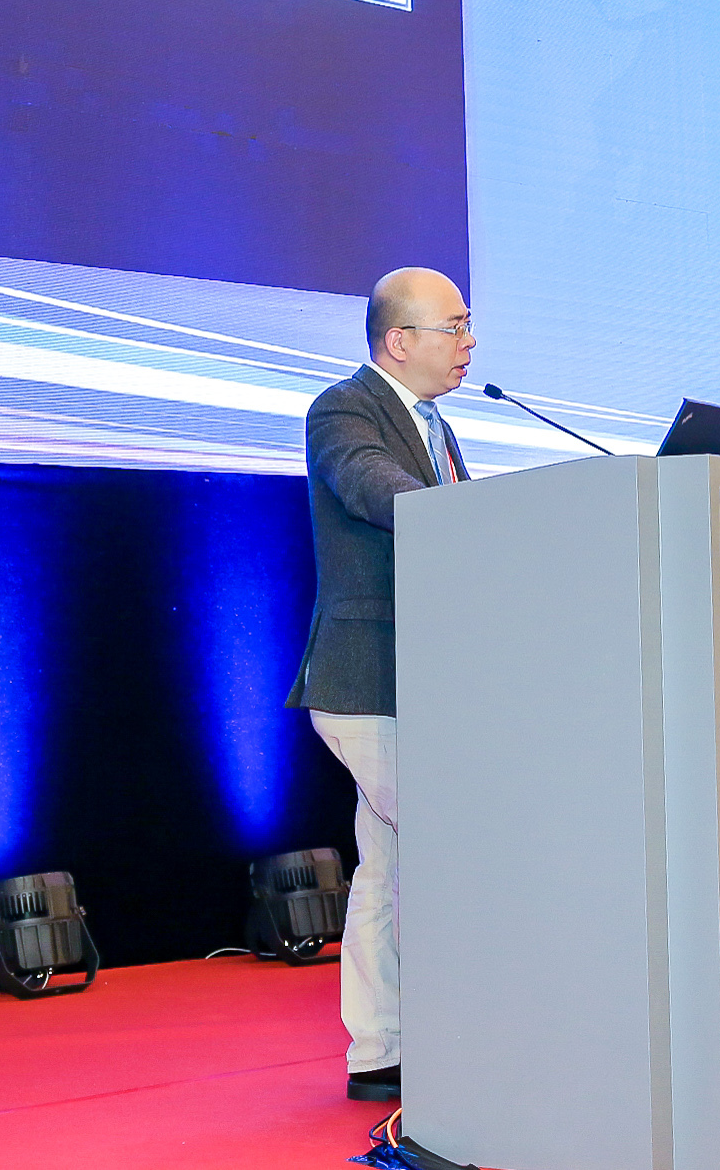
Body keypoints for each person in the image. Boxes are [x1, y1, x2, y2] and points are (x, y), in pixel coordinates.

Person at [286, 266, 474, 1103]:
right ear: (399, 339)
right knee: (446, 849)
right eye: (454, 326)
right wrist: (476, 518)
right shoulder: (343, 408)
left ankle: (378, 1049)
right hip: (368, 679)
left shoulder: (437, 425)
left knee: (387, 865)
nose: (469, 342)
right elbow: (373, 486)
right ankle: (458, 1042)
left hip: (427, 680)